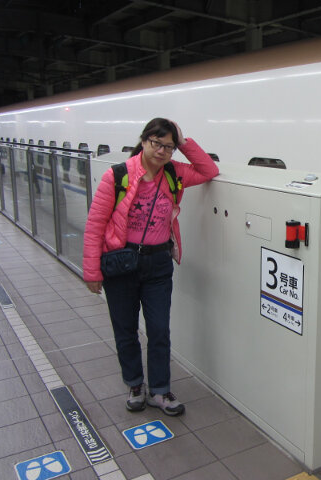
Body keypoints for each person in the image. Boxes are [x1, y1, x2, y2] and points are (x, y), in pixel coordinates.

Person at [83, 118, 219, 416]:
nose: (162, 151)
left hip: (158, 263)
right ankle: (134, 384)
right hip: (121, 262)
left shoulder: (174, 174)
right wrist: (92, 272)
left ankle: (160, 390)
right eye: (157, 143)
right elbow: (95, 225)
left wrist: (184, 142)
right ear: (144, 141)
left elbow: (209, 171)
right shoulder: (116, 176)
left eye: (168, 147)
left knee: (159, 330)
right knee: (126, 329)